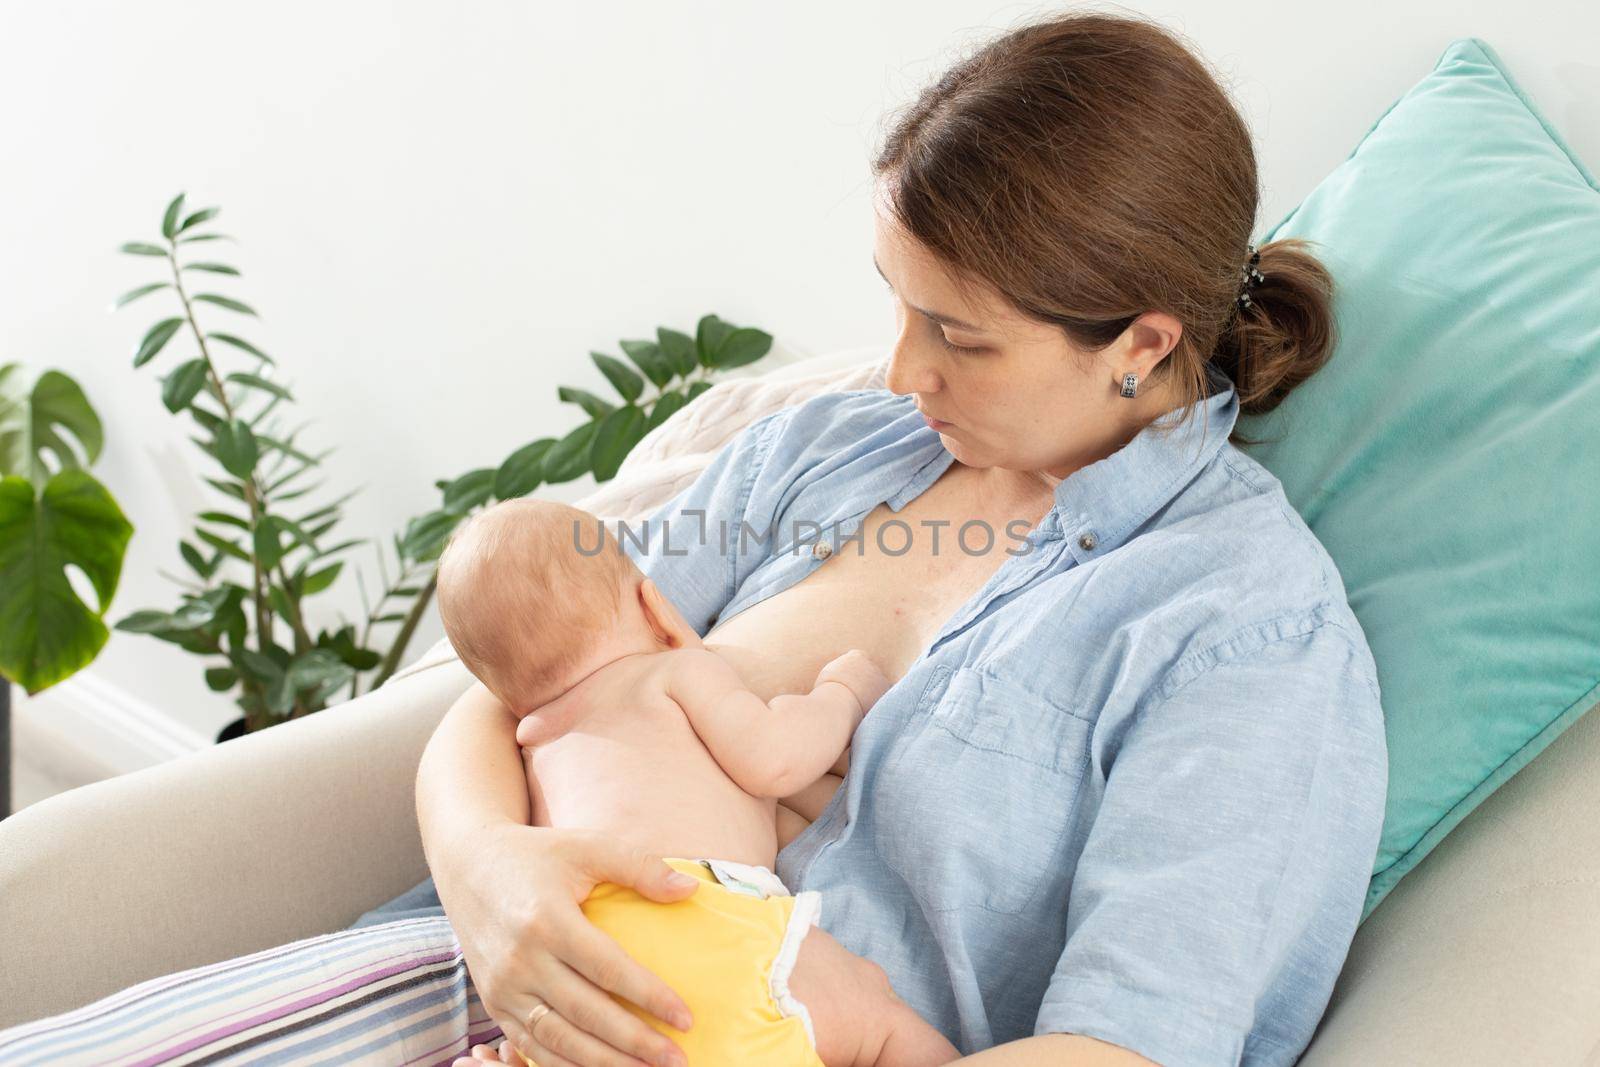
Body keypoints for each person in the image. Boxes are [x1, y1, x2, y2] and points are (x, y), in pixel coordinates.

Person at [0, 10, 1386, 1067]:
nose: (900, 370)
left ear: (1143, 343)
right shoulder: (827, 452)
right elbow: (510, 698)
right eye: (896, 307)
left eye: (957, 335)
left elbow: (1128, 1042)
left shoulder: (1241, 634)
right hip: (463, 986)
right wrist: (491, 880)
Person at [429, 495, 959, 1066]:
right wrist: (843, 694)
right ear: (653, 603)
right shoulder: (674, 671)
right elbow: (777, 759)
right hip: (699, 913)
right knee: (877, 1017)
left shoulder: (531, 745)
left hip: (581, 955)